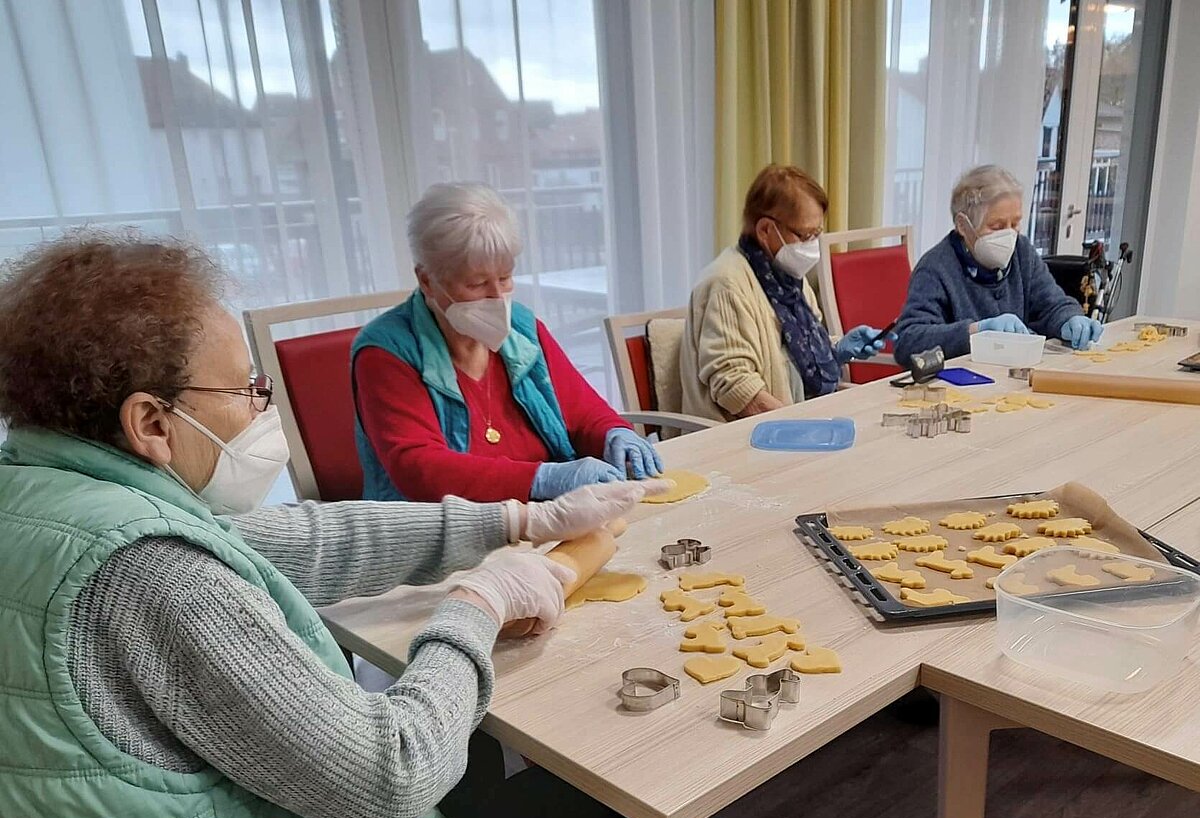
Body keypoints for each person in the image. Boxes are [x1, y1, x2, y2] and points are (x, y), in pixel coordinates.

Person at [0, 232, 662, 818]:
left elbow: (296, 538)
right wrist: (477, 605)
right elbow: (392, 775)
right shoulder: (147, 573)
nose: (261, 404)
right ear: (151, 423)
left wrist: (511, 525)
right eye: (245, 388)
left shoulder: (48, 495)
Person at [353, 182, 661, 503]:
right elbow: (418, 469)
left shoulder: (523, 329)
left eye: (504, 277)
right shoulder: (385, 352)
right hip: (451, 529)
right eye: (476, 283)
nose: (498, 297)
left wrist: (615, 433)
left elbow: (582, 413)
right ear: (427, 280)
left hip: (550, 517)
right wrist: (542, 479)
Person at [678, 163, 895, 423]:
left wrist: (837, 348)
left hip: (796, 421)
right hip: (745, 438)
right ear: (766, 230)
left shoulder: (788, 277)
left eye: (818, 234)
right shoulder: (726, 284)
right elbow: (737, 388)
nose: (813, 245)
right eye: (805, 235)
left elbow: (792, 356)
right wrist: (803, 427)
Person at [894, 164, 1104, 367]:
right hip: (957, 387)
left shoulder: (1022, 252)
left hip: (1013, 381)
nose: (1010, 234)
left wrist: (1070, 319)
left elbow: (1053, 304)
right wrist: (976, 331)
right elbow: (908, 342)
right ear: (963, 225)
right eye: (997, 226)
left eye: (1015, 223)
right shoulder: (936, 268)